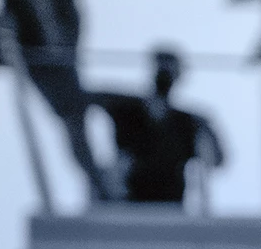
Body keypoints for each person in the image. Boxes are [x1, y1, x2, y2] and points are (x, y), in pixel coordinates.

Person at [1, 0, 111, 197]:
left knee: (73, 118)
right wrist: (54, 43)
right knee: (73, 116)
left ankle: (95, 180)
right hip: (50, 54)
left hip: (57, 53)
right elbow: (35, 1)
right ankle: (96, 181)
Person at [93, 46, 225, 206]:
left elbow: (217, 160)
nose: (164, 75)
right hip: (125, 204)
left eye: (170, 70)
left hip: (168, 208)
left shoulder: (189, 123)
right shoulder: (125, 110)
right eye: (161, 68)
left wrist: (208, 129)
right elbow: (80, 99)